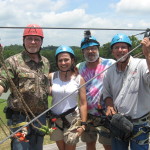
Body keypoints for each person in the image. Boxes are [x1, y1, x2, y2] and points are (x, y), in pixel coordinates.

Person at [0, 24, 50, 150]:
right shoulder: (13, 61)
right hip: (20, 119)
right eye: (29, 38)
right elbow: (2, 81)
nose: (33, 42)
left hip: (40, 117)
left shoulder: (45, 62)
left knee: (37, 148)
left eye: (37, 39)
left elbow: (46, 87)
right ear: (23, 41)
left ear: (41, 42)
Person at [102, 33, 150, 150]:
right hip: (118, 123)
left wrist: (147, 54)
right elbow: (107, 93)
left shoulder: (142, 64)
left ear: (129, 49)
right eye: (116, 47)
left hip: (140, 124)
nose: (120, 50)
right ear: (112, 51)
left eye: (123, 47)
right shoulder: (109, 71)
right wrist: (109, 105)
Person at [77, 30, 115, 150]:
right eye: (86, 49)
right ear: (83, 51)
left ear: (98, 49)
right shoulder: (79, 67)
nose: (90, 51)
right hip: (87, 114)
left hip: (106, 113)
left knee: (108, 144)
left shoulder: (110, 64)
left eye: (93, 48)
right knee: (90, 143)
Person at [48, 45, 87, 150]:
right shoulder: (52, 77)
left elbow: (83, 103)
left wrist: (83, 124)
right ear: (57, 62)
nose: (63, 63)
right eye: (60, 60)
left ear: (72, 60)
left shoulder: (79, 79)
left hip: (72, 119)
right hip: (55, 119)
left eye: (66, 60)